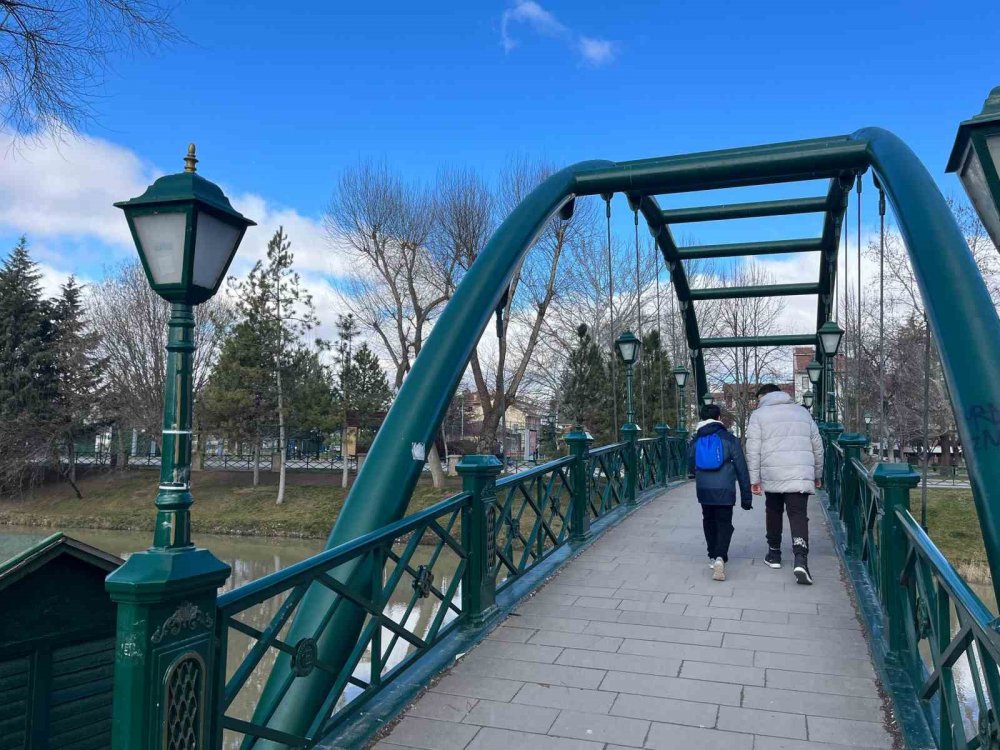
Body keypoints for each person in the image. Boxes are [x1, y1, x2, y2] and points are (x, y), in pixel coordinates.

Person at [745, 383, 824, 585]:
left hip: (772, 471)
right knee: (798, 514)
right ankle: (800, 559)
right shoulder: (802, 412)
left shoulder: (759, 415)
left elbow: (753, 449)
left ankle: (774, 554)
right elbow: (817, 445)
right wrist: (817, 473)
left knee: (773, 510)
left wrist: (754, 480)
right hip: (800, 471)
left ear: (763, 396)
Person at [687, 403, 752, 582]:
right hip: (725, 489)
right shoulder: (729, 438)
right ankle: (720, 557)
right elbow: (741, 468)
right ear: (718, 418)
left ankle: (711, 555)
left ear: (701, 418)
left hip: (704, 488)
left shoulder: (695, 440)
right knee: (724, 522)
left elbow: (690, 466)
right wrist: (746, 497)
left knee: (708, 520)